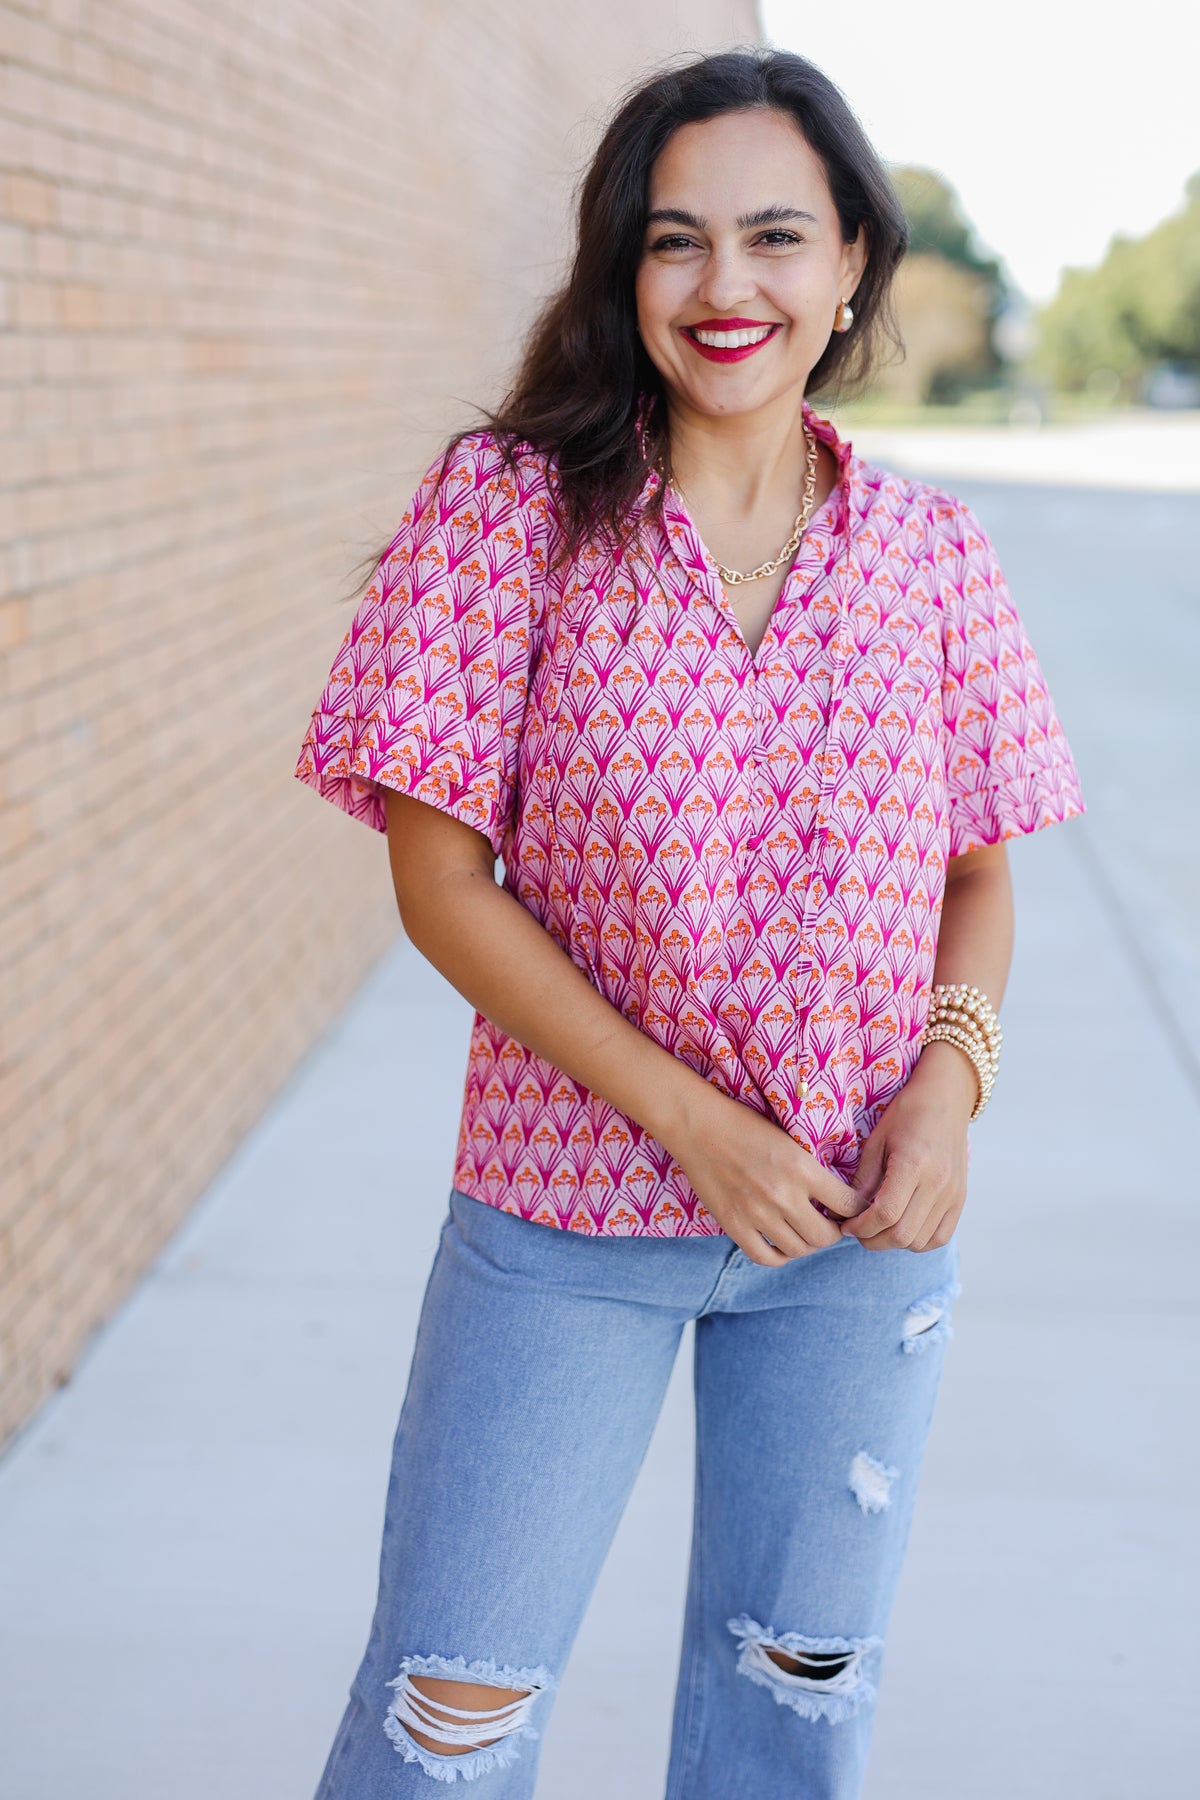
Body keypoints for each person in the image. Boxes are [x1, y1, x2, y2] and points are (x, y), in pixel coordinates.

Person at [293, 47, 1083, 1800]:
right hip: (564, 1213)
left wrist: (950, 1092)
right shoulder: (507, 511)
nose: (728, 284)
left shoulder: (932, 555)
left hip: (860, 1240)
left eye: (776, 236)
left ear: (852, 263)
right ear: (624, 268)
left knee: (792, 1719)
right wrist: (694, 1126)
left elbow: (977, 873)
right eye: (677, 240)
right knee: (448, 1724)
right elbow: (440, 882)